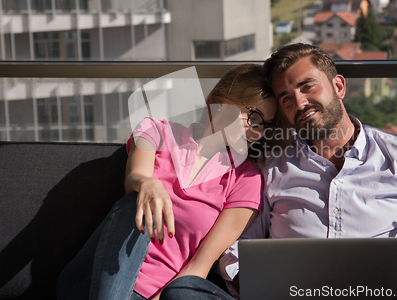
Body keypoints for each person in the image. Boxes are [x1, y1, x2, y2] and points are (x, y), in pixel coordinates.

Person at [211, 43, 397, 299]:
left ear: (338, 86)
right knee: (185, 290)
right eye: (286, 98)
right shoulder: (272, 170)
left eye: (307, 86)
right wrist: (246, 277)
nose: (299, 102)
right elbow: (239, 247)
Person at [56, 63, 281, 300]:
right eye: (253, 117)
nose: (258, 132)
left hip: (154, 296)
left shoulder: (246, 180)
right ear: (223, 102)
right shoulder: (157, 131)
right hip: (91, 283)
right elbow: (134, 177)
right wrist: (145, 183)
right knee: (134, 202)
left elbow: (198, 269)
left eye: (266, 125)